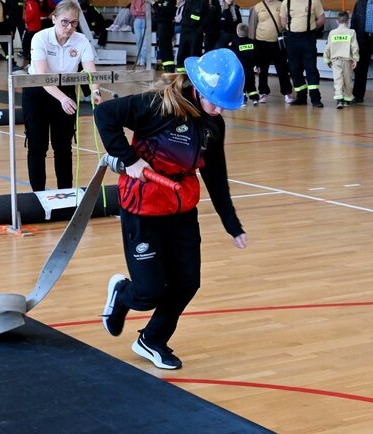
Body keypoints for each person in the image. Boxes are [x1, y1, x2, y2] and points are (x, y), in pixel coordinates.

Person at [94, 48, 248, 370]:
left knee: (188, 282)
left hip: (182, 207)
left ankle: (152, 340)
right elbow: (105, 114)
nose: (220, 109)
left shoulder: (213, 124)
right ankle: (122, 294)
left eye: (225, 104)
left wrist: (231, 223)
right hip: (144, 205)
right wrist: (129, 159)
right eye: (215, 101)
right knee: (148, 292)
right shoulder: (158, 105)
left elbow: (215, 174)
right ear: (200, 88)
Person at [24, 0, 102, 191]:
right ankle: (38, 193)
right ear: (54, 19)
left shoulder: (81, 40)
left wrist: (95, 91)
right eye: (64, 22)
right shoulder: (40, 38)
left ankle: (65, 192)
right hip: (38, 91)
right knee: (37, 146)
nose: (69, 27)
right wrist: (62, 98)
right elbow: (42, 75)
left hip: (66, 90)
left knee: (63, 147)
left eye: (73, 23)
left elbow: (91, 71)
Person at [280, 0, 326, 107]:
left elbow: (321, 19)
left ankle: (315, 98)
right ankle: (301, 97)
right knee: (294, 69)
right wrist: (293, 29)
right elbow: (283, 21)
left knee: (311, 68)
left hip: (308, 38)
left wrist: (311, 29)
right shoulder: (286, 2)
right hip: (292, 38)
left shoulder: (314, 1)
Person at [248, 0, 295, 104]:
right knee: (262, 70)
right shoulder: (257, 7)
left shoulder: (281, 5)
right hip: (261, 42)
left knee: (282, 69)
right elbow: (252, 26)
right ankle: (263, 92)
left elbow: (286, 22)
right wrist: (252, 44)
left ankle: (287, 92)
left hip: (277, 43)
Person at [323, 11, 359, 109]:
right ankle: (347, 99)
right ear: (348, 21)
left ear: (337, 21)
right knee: (347, 80)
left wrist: (327, 59)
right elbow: (354, 47)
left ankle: (339, 100)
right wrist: (355, 59)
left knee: (338, 79)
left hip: (335, 60)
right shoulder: (351, 32)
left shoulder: (332, 33)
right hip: (347, 60)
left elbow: (328, 47)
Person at [175, 0, 209, 72]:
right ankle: (181, 69)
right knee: (182, 50)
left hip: (195, 31)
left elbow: (203, 17)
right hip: (186, 29)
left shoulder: (203, 2)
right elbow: (185, 13)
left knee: (194, 51)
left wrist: (199, 29)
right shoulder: (189, 1)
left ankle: (193, 70)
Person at [231, 23, 259, 105]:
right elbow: (257, 55)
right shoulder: (252, 43)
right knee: (251, 84)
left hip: (241, 69)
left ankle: (243, 100)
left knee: (241, 85)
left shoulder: (235, 43)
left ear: (237, 32)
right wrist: (257, 65)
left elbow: (233, 55)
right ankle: (255, 99)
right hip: (250, 69)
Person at [152, 0, 177, 72]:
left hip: (166, 25)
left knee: (166, 47)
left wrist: (153, 3)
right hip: (161, 25)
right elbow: (157, 12)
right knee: (162, 47)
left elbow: (162, 12)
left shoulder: (170, 1)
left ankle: (169, 67)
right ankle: (166, 66)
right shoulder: (160, 2)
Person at [130, 0, 148, 65]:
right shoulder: (134, 0)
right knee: (138, 40)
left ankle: (143, 59)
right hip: (137, 21)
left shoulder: (147, 1)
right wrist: (142, 12)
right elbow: (132, 12)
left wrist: (137, 11)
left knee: (144, 42)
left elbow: (147, 12)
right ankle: (139, 58)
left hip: (145, 20)